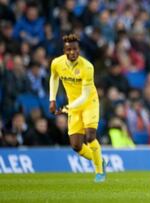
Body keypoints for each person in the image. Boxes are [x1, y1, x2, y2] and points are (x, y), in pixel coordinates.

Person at [49, 34, 106, 182]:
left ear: (79, 49)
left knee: (90, 135)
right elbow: (54, 78)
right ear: (64, 50)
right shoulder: (56, 63)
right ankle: (99, 160)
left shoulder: (87, 67)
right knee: (76, 146)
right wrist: (52, 99)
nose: (73, 52)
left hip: (89, 103)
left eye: (75, 49)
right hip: (74, 105)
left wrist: (66, 108)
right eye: (69, 49)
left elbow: (85, 95)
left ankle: (99, 171)